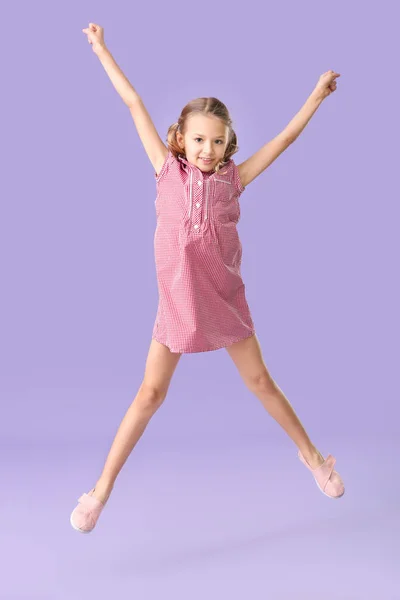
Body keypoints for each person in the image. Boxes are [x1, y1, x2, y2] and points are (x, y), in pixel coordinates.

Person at [70, 23, 344, 534]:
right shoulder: (164, 169)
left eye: (217, 141)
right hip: (176, 305)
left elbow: (284, 139)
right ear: (180, 139)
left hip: (223, 300)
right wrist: (101, 48)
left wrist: (316, 95)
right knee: (149, 396)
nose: (207, 148)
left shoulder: (233, 180)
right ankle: (99, 491)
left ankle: (314, 459)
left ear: (228, 145)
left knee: (260, 381)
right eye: (198, 139)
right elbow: (133, 102)